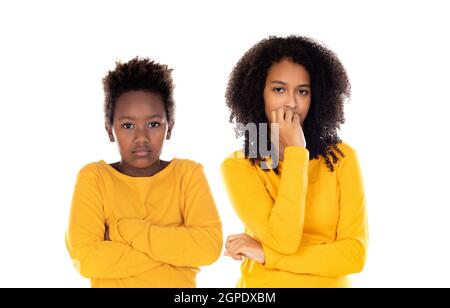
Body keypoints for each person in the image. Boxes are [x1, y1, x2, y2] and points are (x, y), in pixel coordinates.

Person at [221, 36, 368, 288]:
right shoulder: (239, 166)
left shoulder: (343, 158)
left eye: (302, 91)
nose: (291, 102)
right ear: (259, 94)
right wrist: (297, 154)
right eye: (279, 89)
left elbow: (354, 256)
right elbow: (284, 239)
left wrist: (265, 254)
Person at [66, 57, 222, 288]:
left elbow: (208, 248)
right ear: (110, 131)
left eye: (154, 124)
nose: (141, 138)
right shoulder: (94, 178)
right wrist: (177, 252)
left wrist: (122, 231)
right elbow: (86, 259)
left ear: (170, 127)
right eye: (128, 125)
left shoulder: (187, 175)